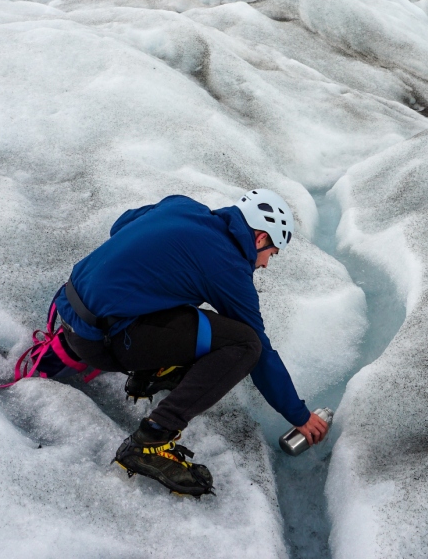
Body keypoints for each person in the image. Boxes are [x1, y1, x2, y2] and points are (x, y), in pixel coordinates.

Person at [32, 189, 329, 497]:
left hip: (70, 309)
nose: (266, 263)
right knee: (245, 345)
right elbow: (261, 353)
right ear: (259, 238)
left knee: (175, 290)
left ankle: (151, 371)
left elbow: (121, 226)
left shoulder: (183, 206)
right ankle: (153, 438)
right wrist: (300, 416)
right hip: (103, 341)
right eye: (272, 252)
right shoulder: (227, 266)